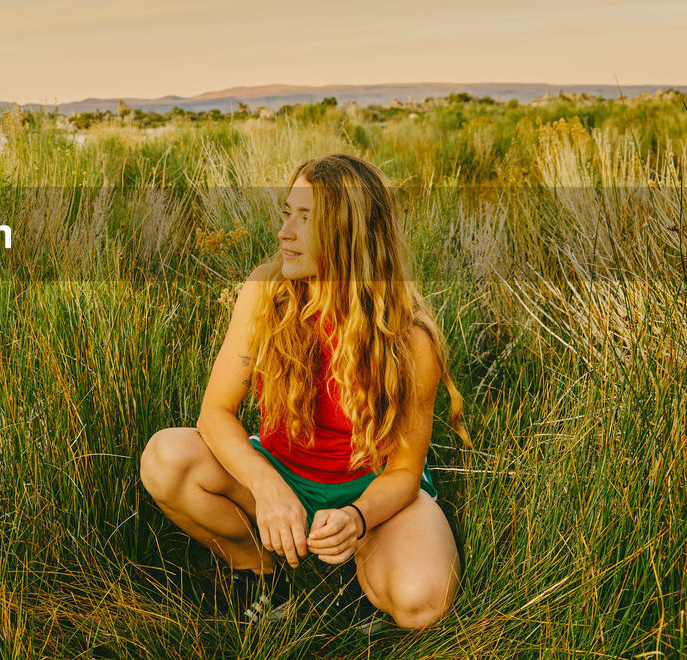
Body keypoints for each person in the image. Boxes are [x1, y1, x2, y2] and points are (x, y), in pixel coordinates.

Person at [140, 153, 471, 631]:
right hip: (282, 476)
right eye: (286, 214)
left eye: (306, 219)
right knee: (165, 458)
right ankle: (262, 577)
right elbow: (214, 414)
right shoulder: (264, 294)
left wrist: (357, 518)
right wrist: (268, 486)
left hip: (370, 496)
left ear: (349, 234)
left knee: (424, 601)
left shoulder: (410, 337)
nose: (284, 233)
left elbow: (403, 472)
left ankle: (354, 584)